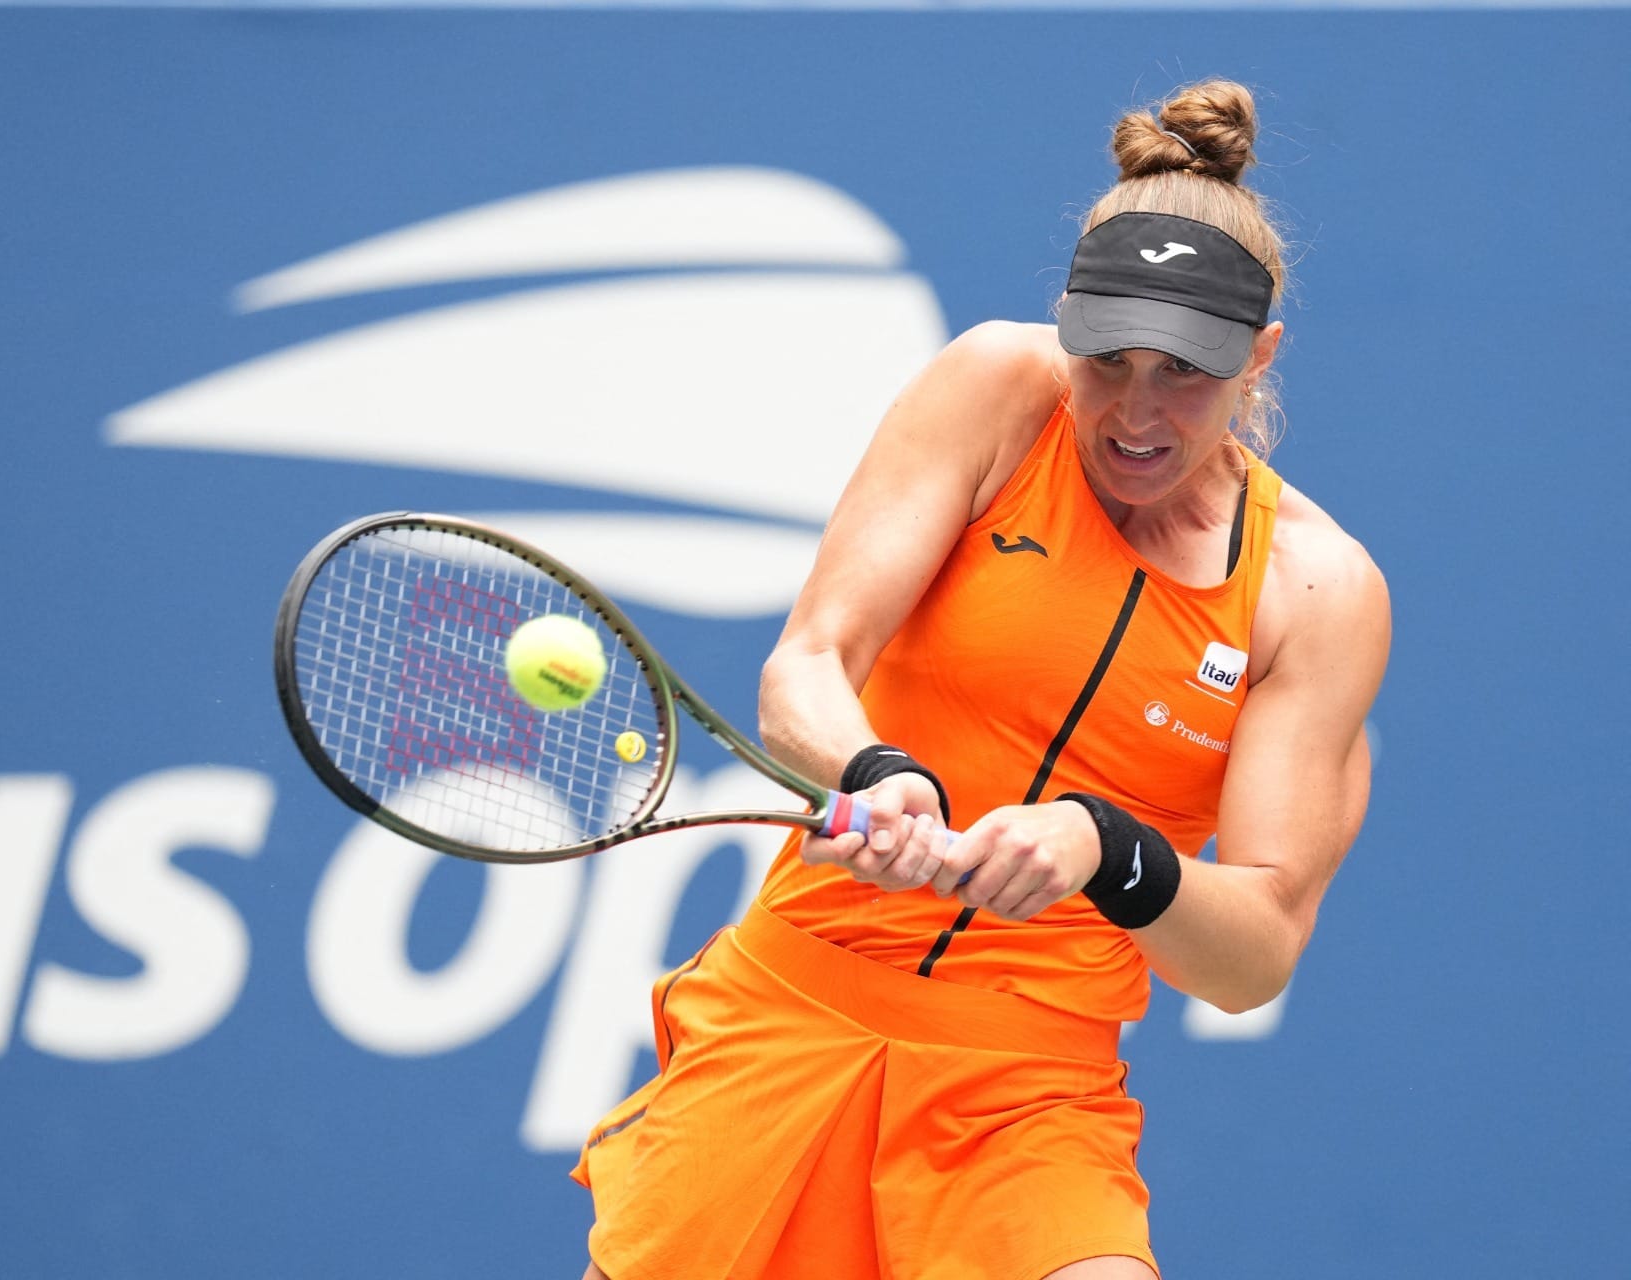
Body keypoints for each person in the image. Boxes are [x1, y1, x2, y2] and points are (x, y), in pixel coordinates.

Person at [571, 78, 1390, 1280]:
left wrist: (1102, 846)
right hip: (790, 1015)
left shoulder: (1318, 592)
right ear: (1064, 321)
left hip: (1026, 1092)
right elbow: (808, 664)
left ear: (1260, 357)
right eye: (1107, 357)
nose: (1137, 411)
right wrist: (876, 769)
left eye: (1187, 373)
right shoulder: (998, 391)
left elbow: (1256, 948)